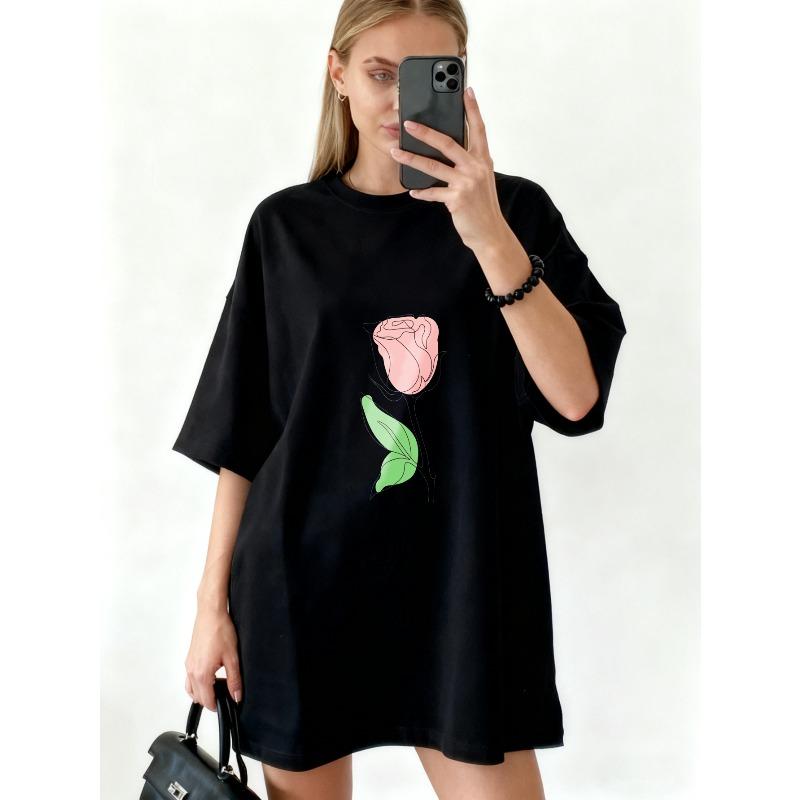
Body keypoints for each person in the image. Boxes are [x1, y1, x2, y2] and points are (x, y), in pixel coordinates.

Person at [173, 1, 627, 798]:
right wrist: (211, 607)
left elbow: (576, 397)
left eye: (427, 77)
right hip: (301, 591)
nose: (398, 101)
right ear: (338, 74)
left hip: (463, 593)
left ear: (460, 82)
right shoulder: (285, 228)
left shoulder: (515, 215)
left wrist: (485, 232)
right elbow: (243, 436)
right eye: (380, 73)